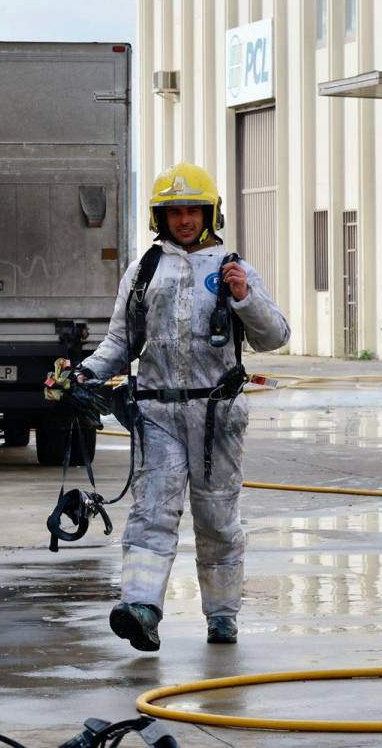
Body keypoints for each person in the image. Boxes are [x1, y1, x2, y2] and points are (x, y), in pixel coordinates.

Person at [74, 162, 290, 651]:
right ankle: (141, 607)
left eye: (193, 210)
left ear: (209, 213)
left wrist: (243, 297)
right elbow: (119, 341)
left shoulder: (234, 269)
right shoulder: (144, 270)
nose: (185, 220)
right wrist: (85, 372)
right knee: (152, 511)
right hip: (155, 413)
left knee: (216, 518)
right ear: (161, 218)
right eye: (175, 212)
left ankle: (221, 615)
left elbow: (275, 336)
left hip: (217, 418)